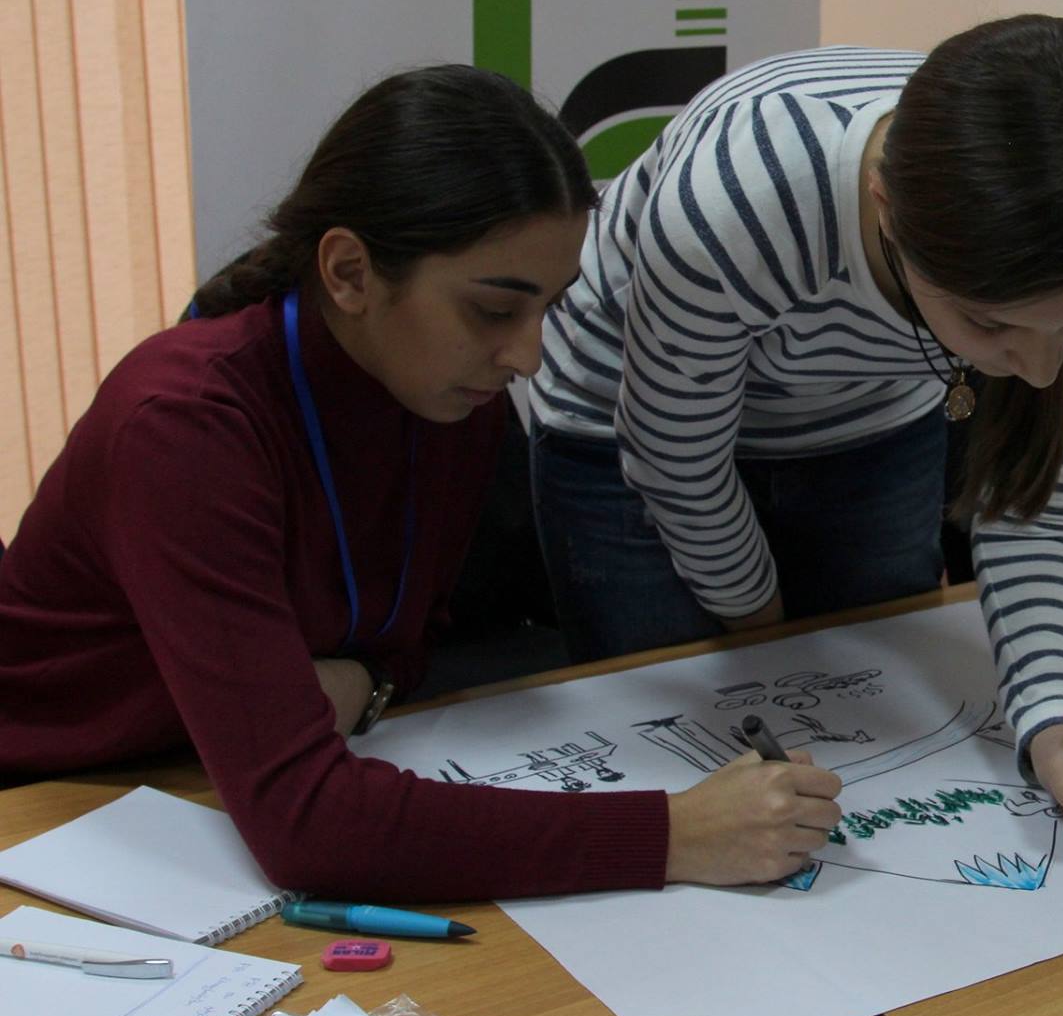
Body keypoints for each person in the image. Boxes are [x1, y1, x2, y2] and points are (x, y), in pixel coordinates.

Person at [0, 66, 841, 901]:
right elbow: (308, 824)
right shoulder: (182, 426)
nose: (528, 357)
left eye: (550, 307)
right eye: (494, 309)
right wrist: (674, 833)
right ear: (349, 272)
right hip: (56, 803)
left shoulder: (444, 394)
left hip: (223, 770)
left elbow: (409, 642)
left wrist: (361, 684)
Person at [529, 15, 1063, 857]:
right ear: (884, 210)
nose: (1042, 371)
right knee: (682, 764)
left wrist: (1056, 711)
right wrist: (764, 624)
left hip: (869, 411)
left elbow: (1034, 503)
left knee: (864, 726)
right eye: (991, 326)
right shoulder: (741, 194)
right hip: (632, 424)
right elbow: (677, 462)